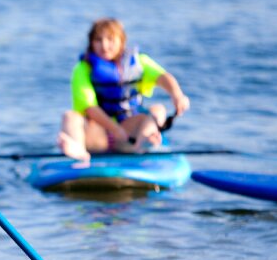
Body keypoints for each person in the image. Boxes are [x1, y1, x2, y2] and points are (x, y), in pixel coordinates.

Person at [57, 18, 190, 161]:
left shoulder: (139, 62)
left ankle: (144, 143)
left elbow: (162, 77)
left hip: (128, 134)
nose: (104, 45)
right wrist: (115, 129)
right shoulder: (83, 69)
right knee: (69, 116)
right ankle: (78, 151)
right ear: (91, 43)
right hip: (97, 136)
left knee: (158, 110)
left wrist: (177, 95)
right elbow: (89, 108)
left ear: (122, 41)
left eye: (110, 39)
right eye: (98, 40)